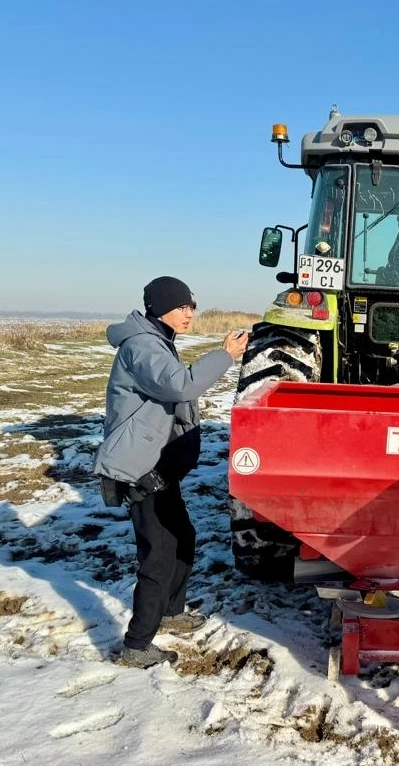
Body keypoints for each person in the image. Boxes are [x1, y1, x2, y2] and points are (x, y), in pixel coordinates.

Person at [93, 276, 248, 668]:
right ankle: (136, 645)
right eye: (181, 307)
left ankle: (171, 611)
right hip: (139, 468)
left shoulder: (158, 341)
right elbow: (181, 386)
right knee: (159, 556)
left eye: (192, 307)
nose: (189, 314)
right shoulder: (142, 346)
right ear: (160, 307)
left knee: (183, 536)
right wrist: (225, 355)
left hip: (157, 464)